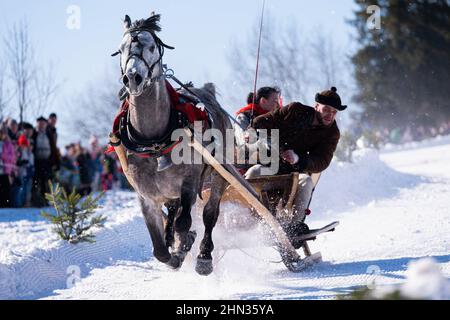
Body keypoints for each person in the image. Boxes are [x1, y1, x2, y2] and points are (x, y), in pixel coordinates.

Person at [246, 87, 347, 241]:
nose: (330, 115)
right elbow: (262, 121)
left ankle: (294, 228)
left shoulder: (332, 133)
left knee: (306, 182)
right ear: (316, 106)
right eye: (326, 109)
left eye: (334, 112)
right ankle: (247, 219)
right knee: (253, 172)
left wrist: (298, 158)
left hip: (295, 174)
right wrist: (251, 131)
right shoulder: (294, 110)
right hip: (271, 167)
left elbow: (322, 161)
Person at [234, 87, 280, 174]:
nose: (277, 105)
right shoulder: (244, 116)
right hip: (247, 167)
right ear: (263, 101)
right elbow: (242, 141)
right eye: (275, 101)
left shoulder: (274, 122)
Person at [32, 116, 58, 206]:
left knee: (46, 182)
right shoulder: (34, 133)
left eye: (43, 123)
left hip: (47, 161)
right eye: (40, 123)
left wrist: (55, 161)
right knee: (36, 181)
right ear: (37, 123)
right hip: (36, 161)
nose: (42, 125)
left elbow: (53, 148)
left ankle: (45, 200)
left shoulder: (49, 134)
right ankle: (35, 200)